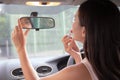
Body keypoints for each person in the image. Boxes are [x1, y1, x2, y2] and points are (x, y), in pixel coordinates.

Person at [11, 0, 120, 80]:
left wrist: (21, 48)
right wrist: (77, 56)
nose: (72, 23)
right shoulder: (112, 63)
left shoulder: (77, 71)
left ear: (84, 31)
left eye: (74, 19)